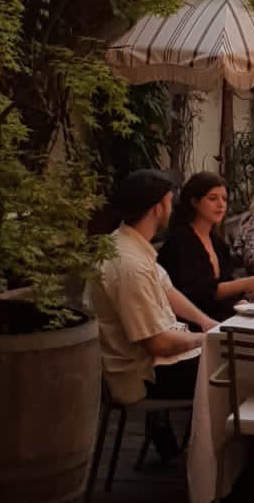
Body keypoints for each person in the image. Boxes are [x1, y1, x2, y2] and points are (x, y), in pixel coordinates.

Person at [90, 170, 216, 460]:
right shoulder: (128, 263)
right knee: (236, 369)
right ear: (158, 207)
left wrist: (207, 322)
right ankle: (220, 470)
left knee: (236, 360)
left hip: (157, 362)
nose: (172, 208)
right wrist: (207, 338)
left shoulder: (128, 243)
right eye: (170, 202)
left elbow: (168, 290)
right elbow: (158, 344)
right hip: (143, 375)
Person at [159, 172, 254, 324]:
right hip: (193, 323)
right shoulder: (181, 240)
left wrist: (240, 303)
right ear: (195, 202)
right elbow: (198, 293)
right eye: (213, 198)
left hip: (222, 318)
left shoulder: (217, 242)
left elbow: (226, 284)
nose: (221, 205)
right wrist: (245, 283)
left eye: (224, 199)